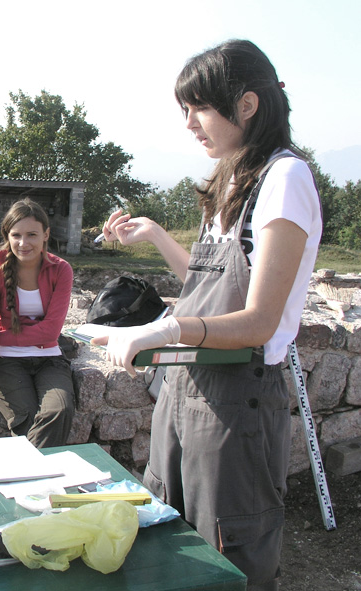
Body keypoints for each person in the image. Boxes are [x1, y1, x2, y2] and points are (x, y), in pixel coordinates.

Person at [91, 40, 321, 590]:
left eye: (199, 108)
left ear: (245, 105)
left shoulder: (284, 179)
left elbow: (258, 320)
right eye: (184, 111)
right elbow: (207, 280)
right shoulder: (232, 181)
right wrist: (153, 235)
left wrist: (167, 327)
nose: (190, 124)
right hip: (184, 394)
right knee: (171, 547)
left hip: (234, 407)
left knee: (228, 559)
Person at [0, 198, 75, 448]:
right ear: (7, 235)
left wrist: (0, 334)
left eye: (31, 234)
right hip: (5, 360)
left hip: (49, 357)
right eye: (16, 235)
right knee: (27, 420)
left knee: (59, 411)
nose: (23, 243)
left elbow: (51, 332)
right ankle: (40, 481)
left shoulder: (61, 270)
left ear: (46, 234)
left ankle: (26, 477)